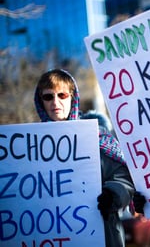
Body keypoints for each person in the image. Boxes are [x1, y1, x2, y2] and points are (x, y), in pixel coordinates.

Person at [34, 68, 135, 247]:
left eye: (62, 95)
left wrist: (113, 195)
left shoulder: (97, 136)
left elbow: (123, 179)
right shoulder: (30, 147)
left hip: (102, 234)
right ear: (41, 101)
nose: (55, 102)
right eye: (48, 97)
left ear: (72, 97)